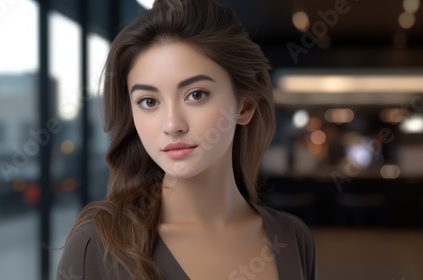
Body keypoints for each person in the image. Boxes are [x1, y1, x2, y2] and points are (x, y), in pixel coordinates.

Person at [57, 0, 317, 279]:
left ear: (245, 106)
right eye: (148, 101)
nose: (172, 125)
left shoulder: (293, 238)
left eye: (196, 95)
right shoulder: (97, 247)